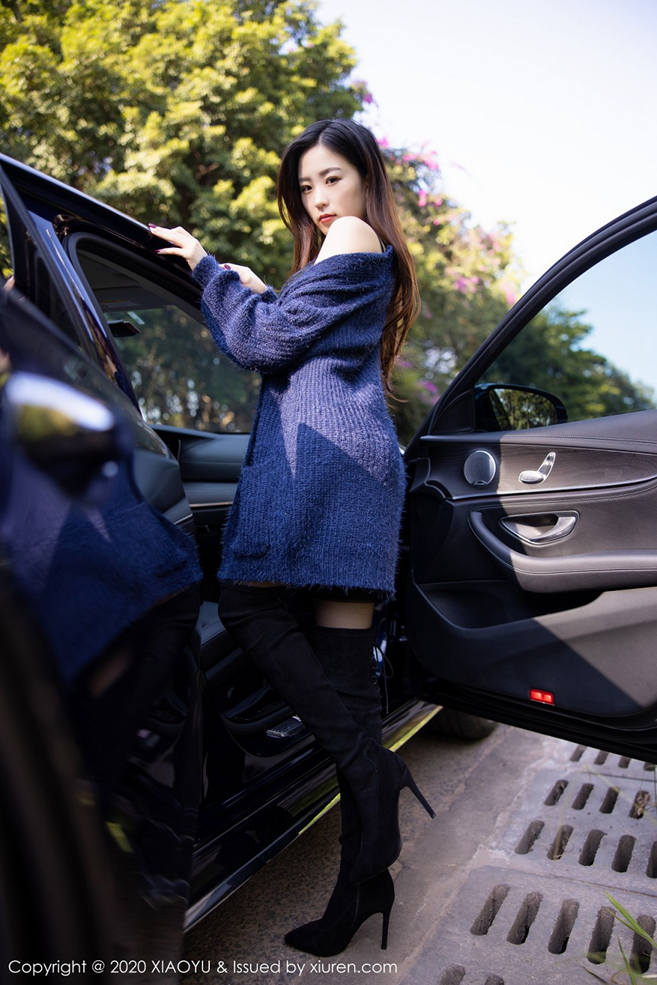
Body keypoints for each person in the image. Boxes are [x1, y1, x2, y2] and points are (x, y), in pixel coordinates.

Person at [150, 118, 434, 956]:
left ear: (366, 180)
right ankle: (361, 881)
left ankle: (373, 770)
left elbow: (261, 343)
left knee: (245, 604)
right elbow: (295, 335)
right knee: (349, 687)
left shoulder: (350, 237)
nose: (317, 200)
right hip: (358, 470)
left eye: (331, 178)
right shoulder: (359, 252)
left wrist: (206, 268)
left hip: (325, 471)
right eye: (305, 187)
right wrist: (259, 287)